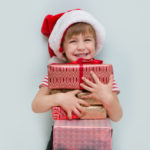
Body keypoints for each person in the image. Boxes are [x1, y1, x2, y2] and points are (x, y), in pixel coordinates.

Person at [32, 9, 123, 150]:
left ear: (95, 44)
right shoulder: (55, 73)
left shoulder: (104, 75)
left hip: (96, 140)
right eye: (73, 41)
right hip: (62, 140)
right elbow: (36, 105)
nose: (81, 47)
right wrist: (60, 98)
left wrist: (108, 98)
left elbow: (117, 116)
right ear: (62, 48)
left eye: (87, 40)